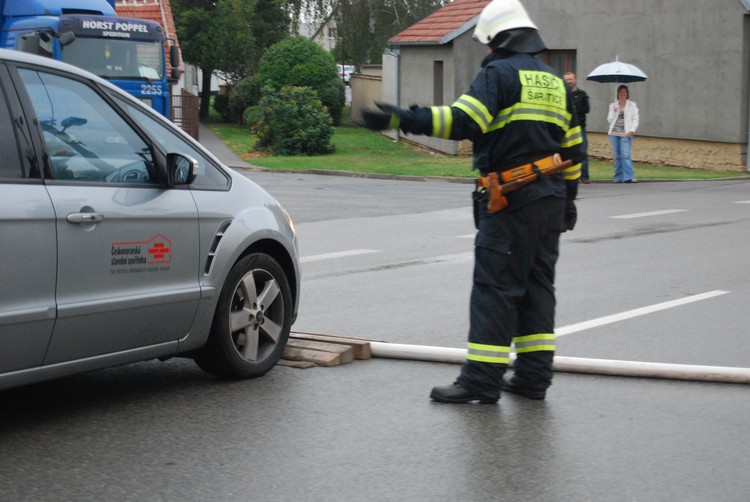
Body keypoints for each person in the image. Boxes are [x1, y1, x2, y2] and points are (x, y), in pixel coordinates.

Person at [362, 0, 583, 404]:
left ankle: (481, 380)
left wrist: (400, 118)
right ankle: (534, 378)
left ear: (499, 40)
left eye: (488, 43)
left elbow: (462, 121)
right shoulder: (554, 81)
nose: (486, 51)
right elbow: (573, 148)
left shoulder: (499, 74)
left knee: (496, 288)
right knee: (537, 286)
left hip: (511, 199)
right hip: (549, 201)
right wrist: (568, 199)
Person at [607, 84, 640, 183]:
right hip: (614, 133)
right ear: (618, 94)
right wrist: (614, 111)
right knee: (617, 156)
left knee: (625, 155)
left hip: (625, 133)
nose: (622, 94)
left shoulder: (632, 105)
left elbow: (635, 119)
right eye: (621, 92)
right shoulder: (613, 105)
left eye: (624, 92)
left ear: (627, 94)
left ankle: (629, 176)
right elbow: (609, 120)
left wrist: (632, 130)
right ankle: (618, 177)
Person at [564, 72, 590, 183]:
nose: (568, 82)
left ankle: (584, 176)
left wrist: (574, 108)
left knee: (582, 151)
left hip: (580, 128)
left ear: (575, 80)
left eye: (570, 79)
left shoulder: (582, 94)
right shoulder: (562, 94)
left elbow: (586, 109)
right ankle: (568, 176)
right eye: (566, 80)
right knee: (567, 152)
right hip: (566, 128)